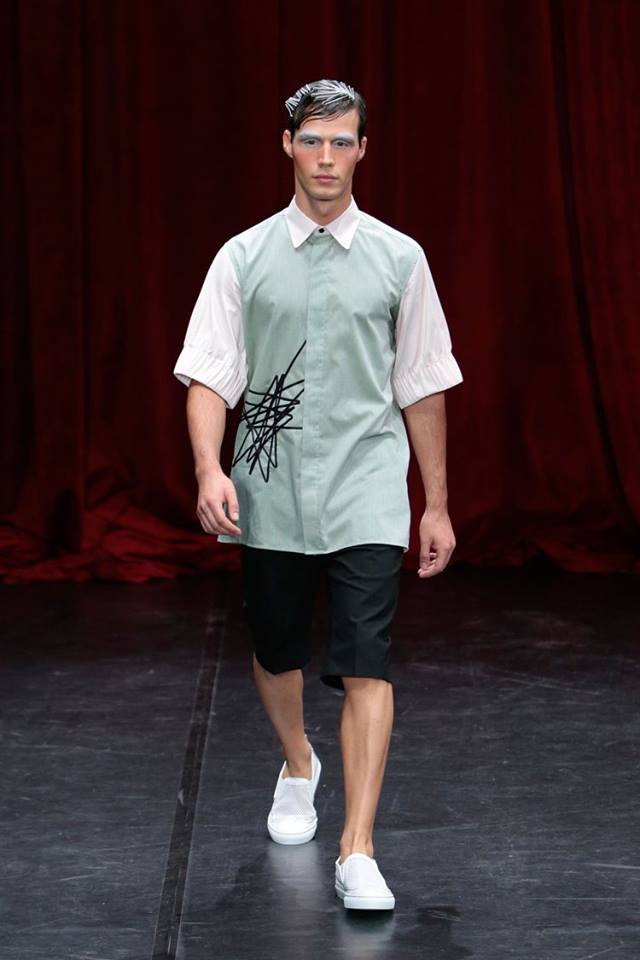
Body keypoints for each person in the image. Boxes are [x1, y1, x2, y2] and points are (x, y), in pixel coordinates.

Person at [173, 78, 463, 911]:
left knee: (367, 656)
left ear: (363, 150)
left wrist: (435, 502)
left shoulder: (401, 259)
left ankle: (357, 848)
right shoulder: (243, 257)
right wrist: (208, 468)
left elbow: (422, 383)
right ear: (287, 146)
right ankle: (300, 762)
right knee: (276, 649)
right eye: (312, 140)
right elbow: (210, 373)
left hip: (368, 484)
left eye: (341, 142)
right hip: (268, 485)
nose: (326, 158)